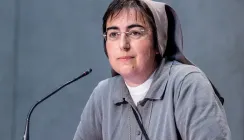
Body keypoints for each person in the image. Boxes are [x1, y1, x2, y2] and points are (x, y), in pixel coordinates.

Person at [73, 0, 231, 139]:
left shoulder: (188, 84)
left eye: (135, 33)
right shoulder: (103, 94)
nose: (123, 45)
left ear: (158, 42)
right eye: (113, 34)